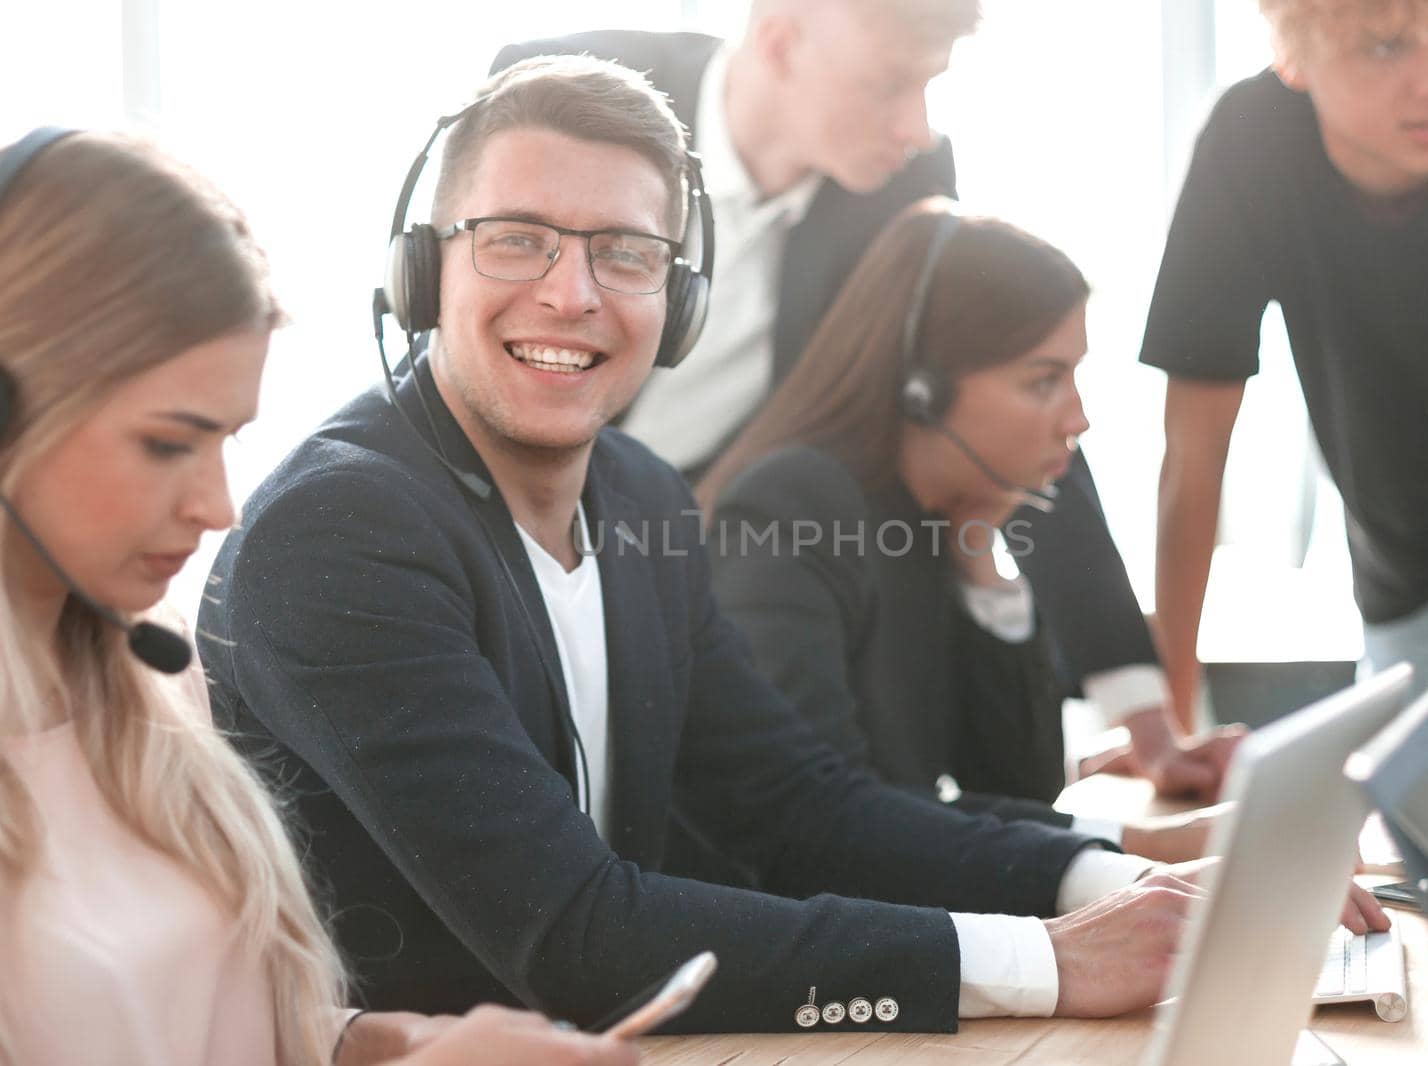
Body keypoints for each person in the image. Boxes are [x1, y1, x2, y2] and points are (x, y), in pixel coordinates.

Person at [196, 55, 1257, 1035]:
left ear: (680, 297)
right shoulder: (340, 531)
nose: (572, 293)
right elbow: (581, 937)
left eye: (625, 252)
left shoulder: (639, 497)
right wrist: (1048, 961)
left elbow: (799, 806)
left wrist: (1109, 886)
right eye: (517, 237)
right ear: (424, 270)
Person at [0, 128, 637, 1066]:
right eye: (167, 444)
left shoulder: (148, 678)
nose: (216, 507)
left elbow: (197, 1021)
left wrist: (375, 1045)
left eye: (228, 442)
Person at [491, 0, 1226, 797]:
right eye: (888, 86)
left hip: (690, 564)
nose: (916, 126)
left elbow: (1009, 415)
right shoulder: (562, 89)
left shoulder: (903, 180)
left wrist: (1147, 721)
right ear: (780, 41)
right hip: (503, 523)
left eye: (930, 87)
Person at [696, 200, 1237, 864]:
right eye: (1044, 381)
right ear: (922, 386)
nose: (1079, 419)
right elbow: (824, 819)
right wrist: (1127, 854)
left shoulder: (934, 520)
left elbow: (1017, 786)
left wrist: (980, 555)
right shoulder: (796, 509)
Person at [1145, 0, 1428, 728]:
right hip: (1402, 578)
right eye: (1385, 49)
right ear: (1294, 59)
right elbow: (1192, 454)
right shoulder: (1247, 141)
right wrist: (1171, 722)